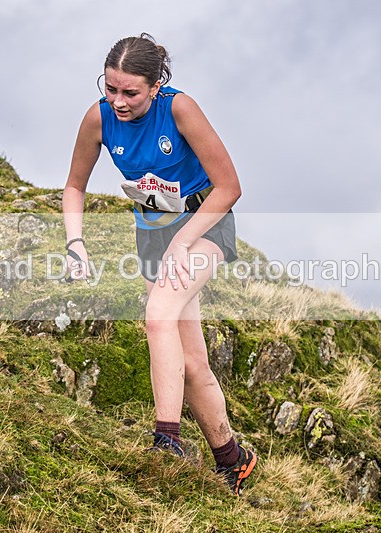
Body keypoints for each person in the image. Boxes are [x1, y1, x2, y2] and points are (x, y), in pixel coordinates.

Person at [62, 33, 257, 496]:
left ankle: (166, 439)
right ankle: (233, 459)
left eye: (130, 92)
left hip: (204, 225)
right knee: (190, 363)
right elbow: (74, 187)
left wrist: (184, 241)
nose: (118, 101)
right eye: (110, 88)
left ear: (155, 85)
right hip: (151, 233)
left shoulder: (180, 110)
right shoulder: (99, 118)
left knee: (158, 315)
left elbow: (230, 187)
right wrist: (76, 244)